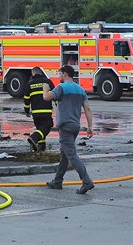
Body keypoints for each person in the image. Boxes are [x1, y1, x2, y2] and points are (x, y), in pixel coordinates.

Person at [42, 65, 95, 194]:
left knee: (71, 154)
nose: (59, 76)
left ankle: (87, 181)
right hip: (75, 126)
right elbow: (87, 109)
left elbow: (47, 97)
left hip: (65, 126)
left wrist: (45, 89)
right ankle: (57, 181)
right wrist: (90, 127)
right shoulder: (81, 90)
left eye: (60, 74)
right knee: (65, 155)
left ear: (65, 74)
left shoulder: (61, 88)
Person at [23, 67, 55, 152]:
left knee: (40, 128)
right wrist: (58, 105)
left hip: (36, 113)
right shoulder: (47, 81)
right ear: (40, 73)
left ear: (33, 74)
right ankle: (34, 138)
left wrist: (26, 111)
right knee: (47, 126)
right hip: (46, 111)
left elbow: (26, 99)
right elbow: (55, 94)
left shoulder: (30, 84)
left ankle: (41, 147)